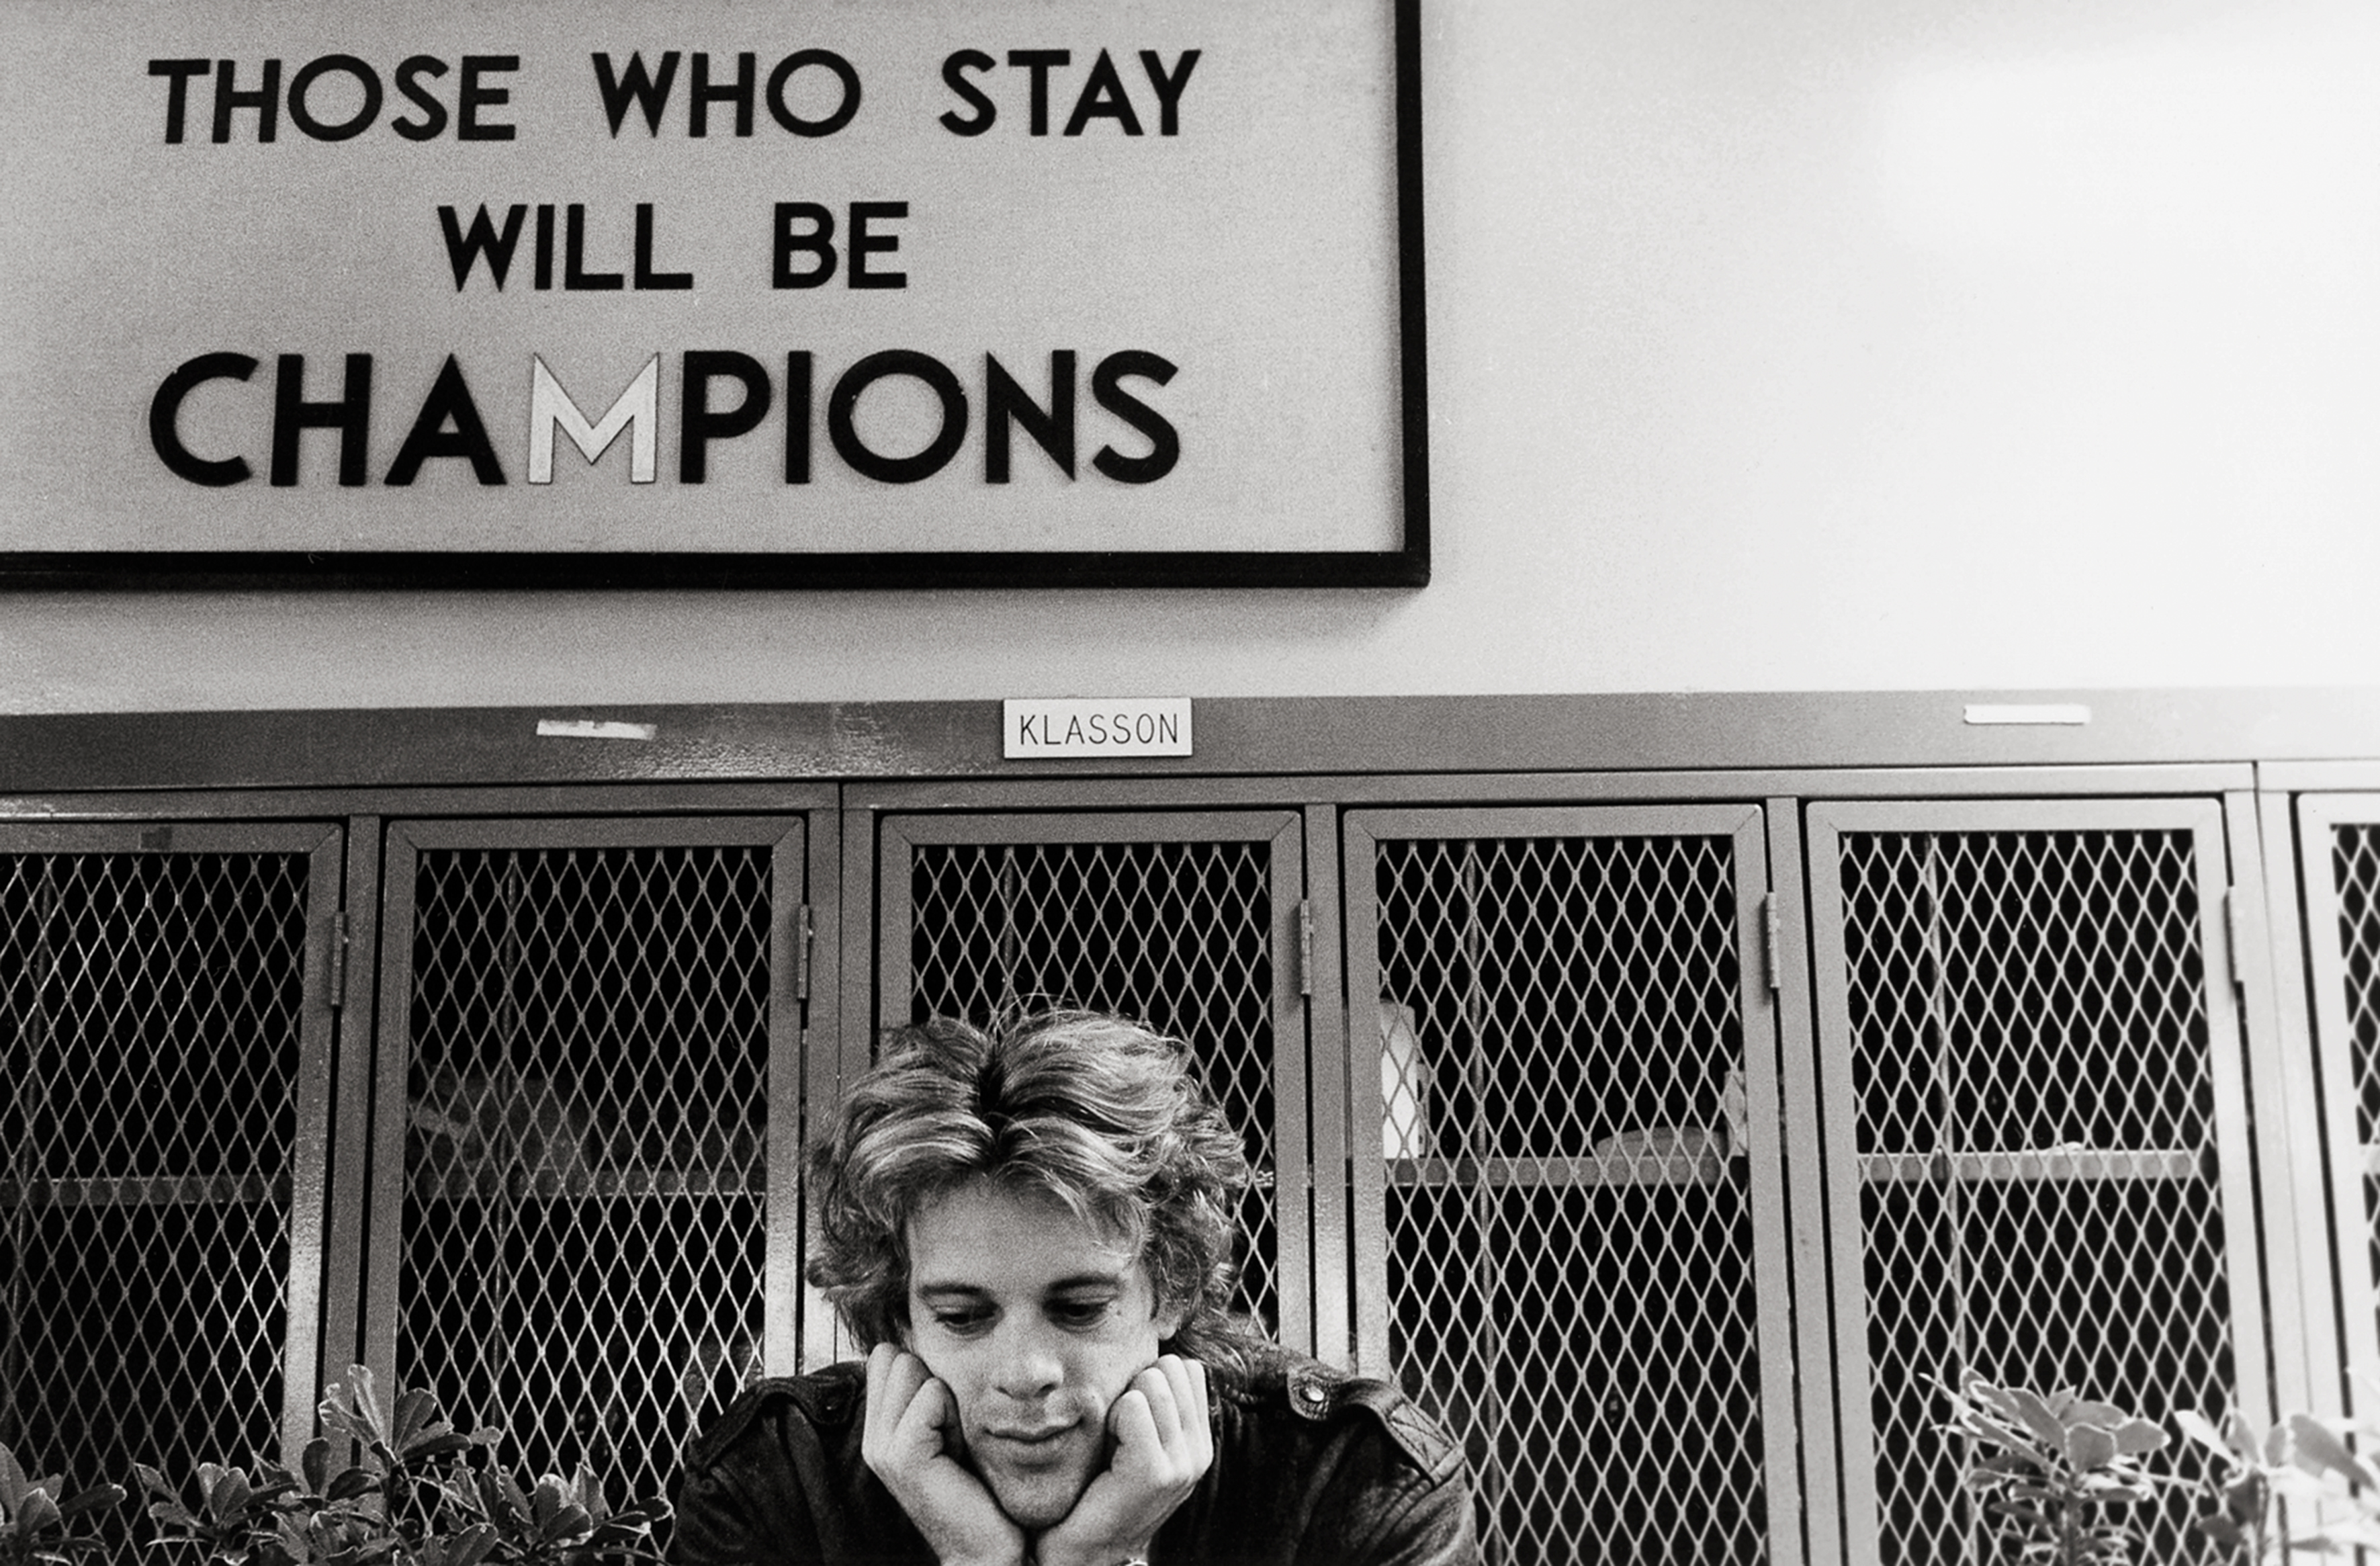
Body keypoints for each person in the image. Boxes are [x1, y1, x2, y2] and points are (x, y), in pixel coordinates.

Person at [670, 1008, 1479, 1566]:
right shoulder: (775, 1480)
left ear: (1168, 1289)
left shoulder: (1353, 1478)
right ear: (903, 1319)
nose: (1026, 1373)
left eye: (1081, 1308)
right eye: (962, 1316)